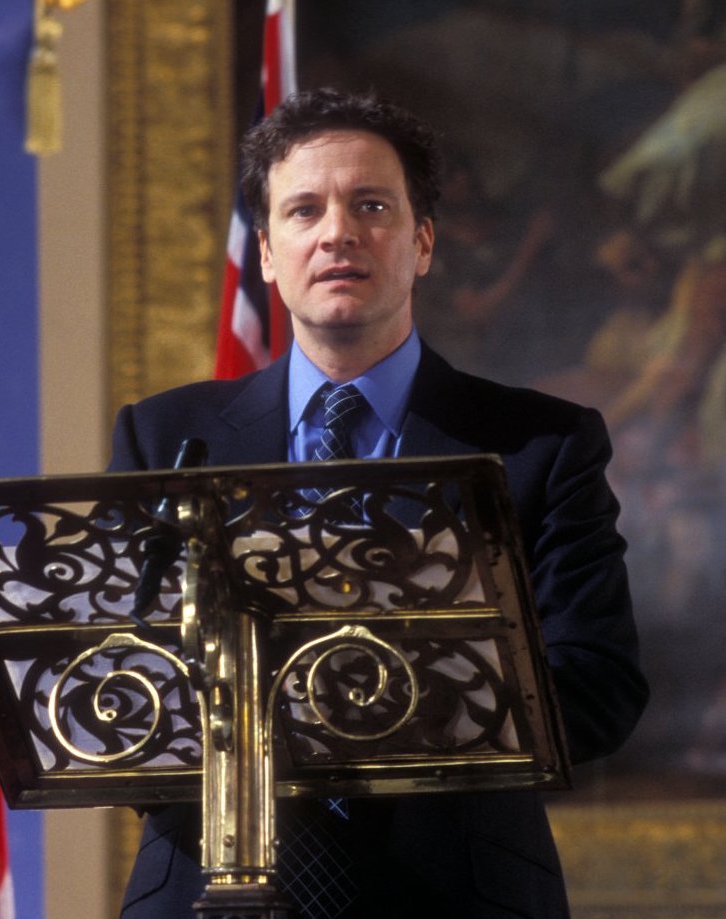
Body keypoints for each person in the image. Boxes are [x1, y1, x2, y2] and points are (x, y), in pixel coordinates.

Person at [108, 88, 649, 919]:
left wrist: (377, 706)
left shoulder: (541, 445)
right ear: (266, 253)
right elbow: (115, 683)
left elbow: (599, 686)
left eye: (371, 205)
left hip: (457, 894)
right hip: (208, 890)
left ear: (422, 242)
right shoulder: (164, 436)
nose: (338, 233)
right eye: (304, 210)